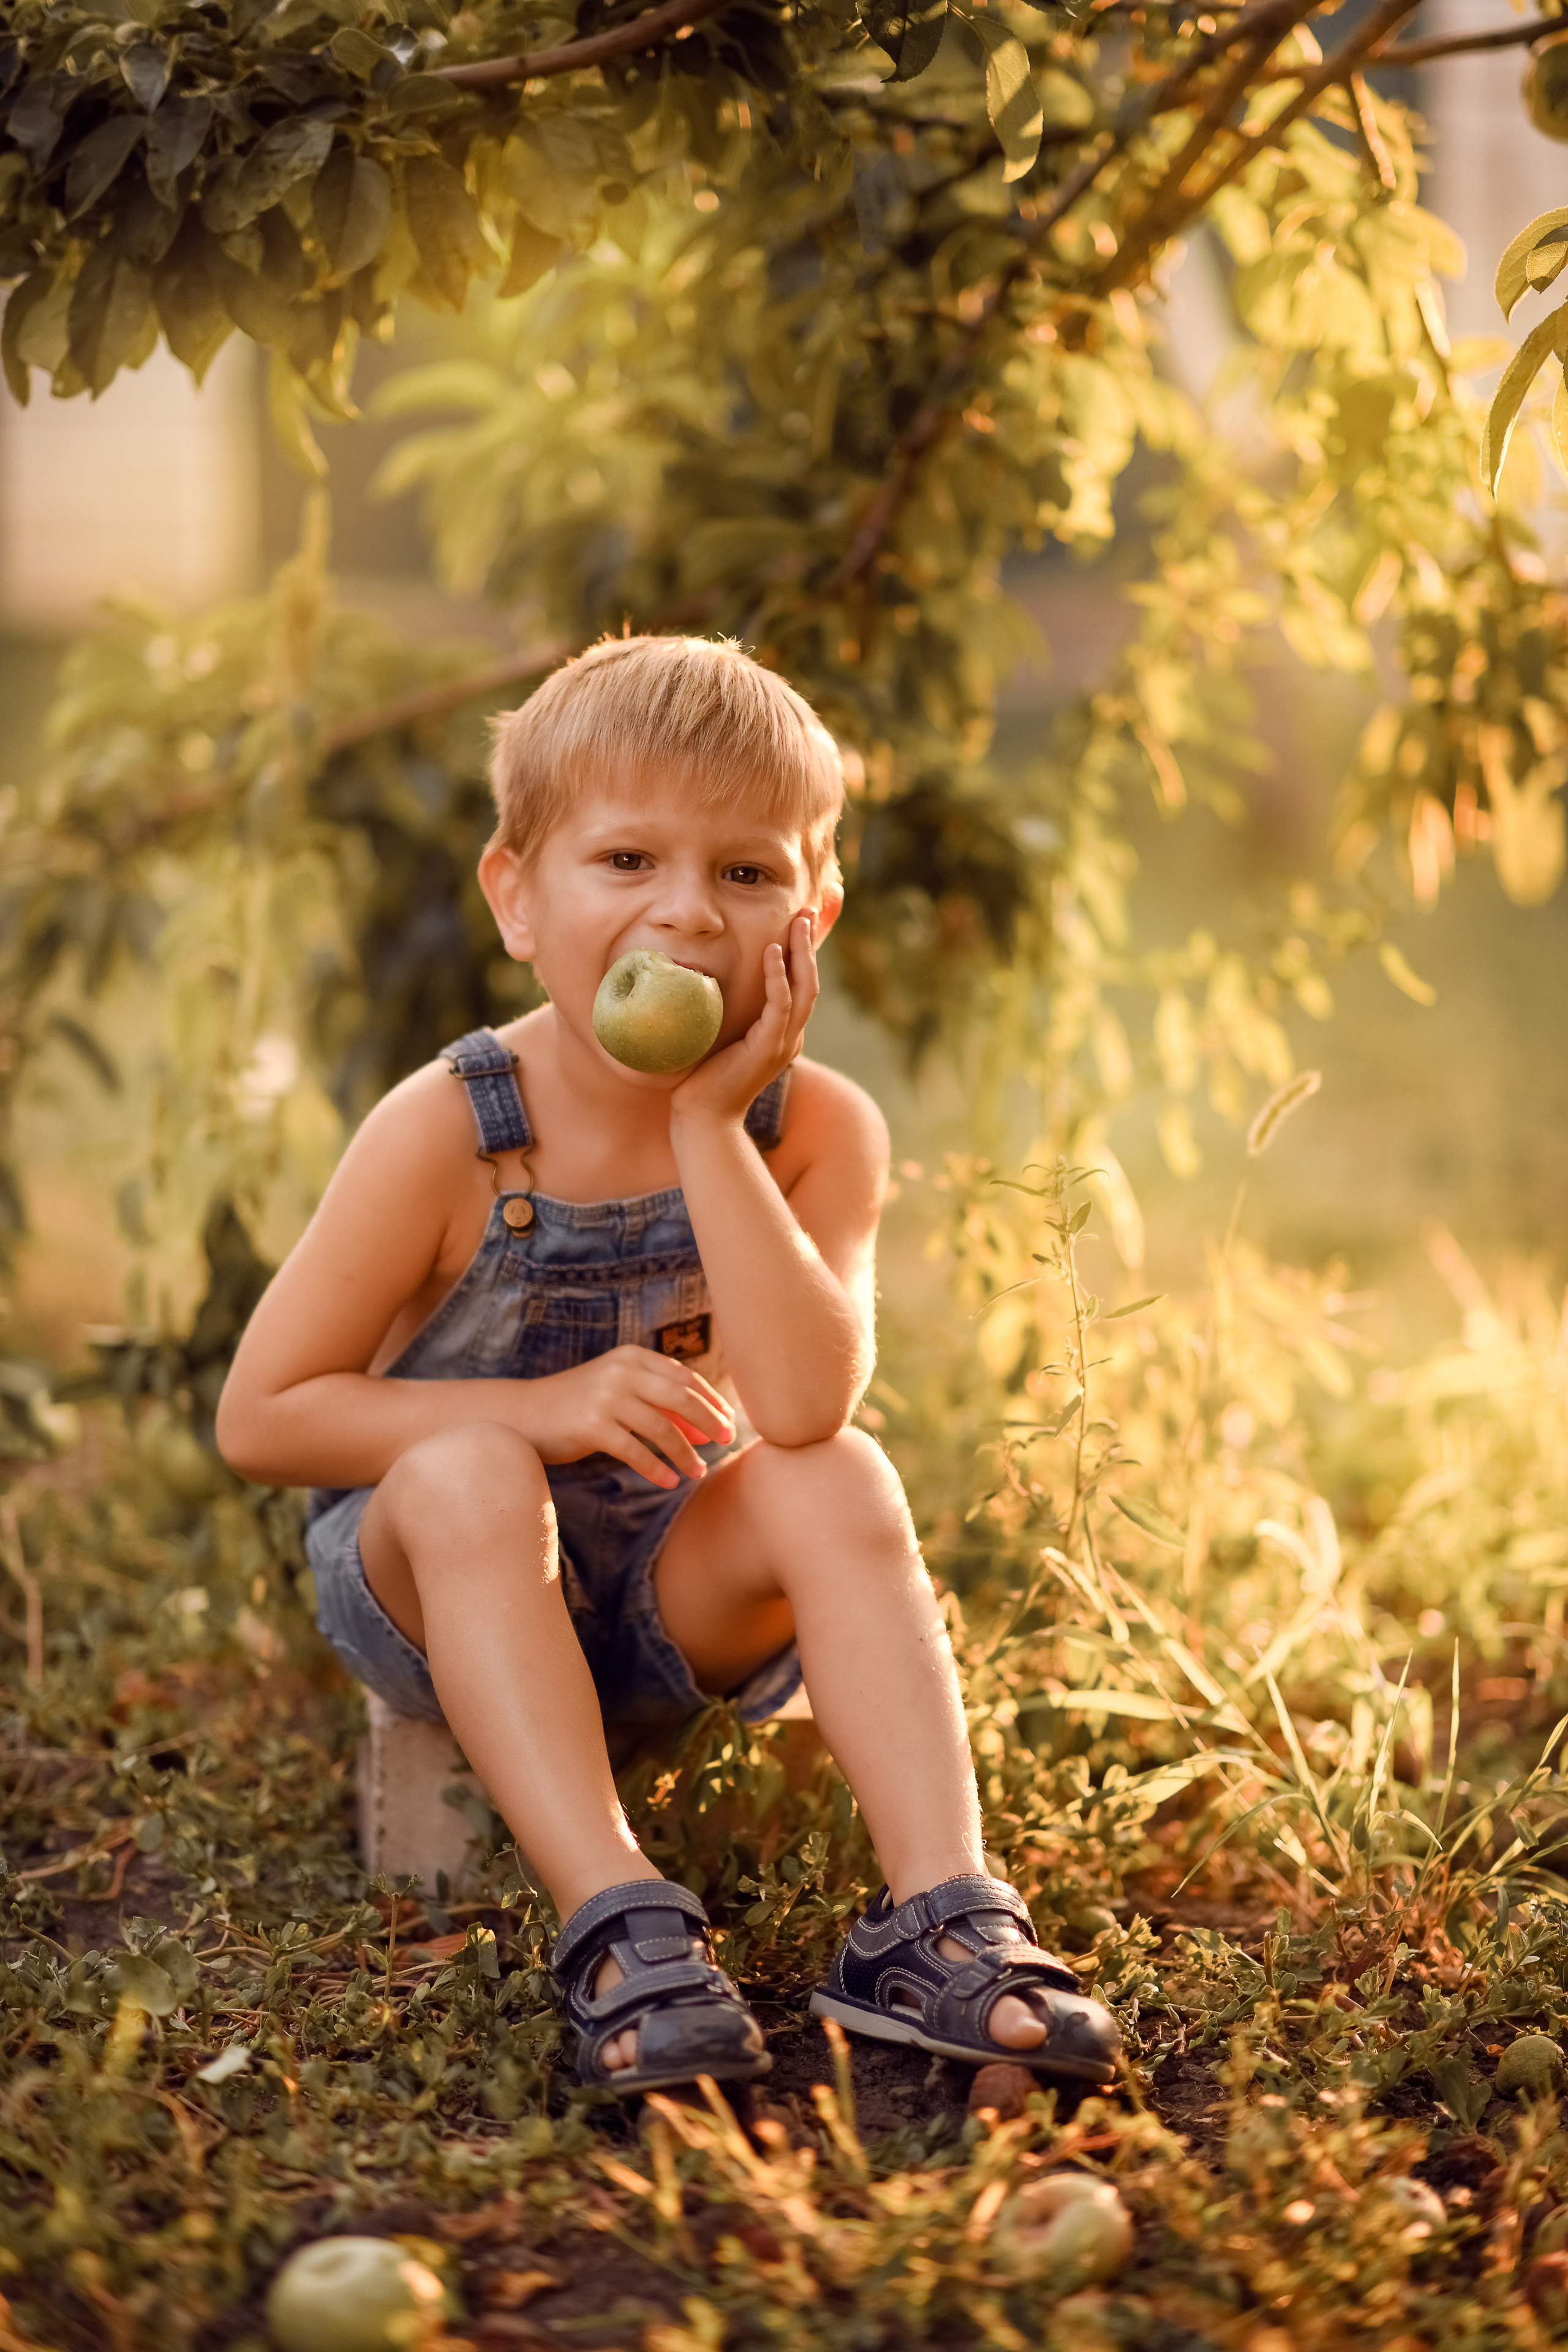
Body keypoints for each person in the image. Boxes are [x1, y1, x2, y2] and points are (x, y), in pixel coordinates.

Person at [216, 635, 1120, 2098]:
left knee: (842, 1477)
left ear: (809, 917)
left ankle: (940, 1920)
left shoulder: (814, 1130)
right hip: (441, 1595)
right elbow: (264, 1416)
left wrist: (713, 1128)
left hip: (666, 1597)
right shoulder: (452, 1129)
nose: (687, 912)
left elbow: (804, 1408)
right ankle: (616, 1925)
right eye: (626, 859)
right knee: (465, 1463)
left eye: (748, 875)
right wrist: (538, 1407)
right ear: (517, 895)